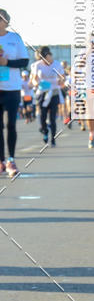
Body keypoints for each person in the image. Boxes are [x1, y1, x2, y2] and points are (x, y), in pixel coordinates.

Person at [0, 9, 30, 177]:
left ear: (7, 22)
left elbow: (24, 61)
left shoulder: (14, 38)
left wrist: (7, 61)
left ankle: (11, 159)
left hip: (11, 88)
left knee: (11, 124)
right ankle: (1, 161)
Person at [31, 46, 65, 147]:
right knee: (42, 116)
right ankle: (45, 131)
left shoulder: (57, 64)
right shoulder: (37, 65)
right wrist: (35, 83)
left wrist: (61, 81)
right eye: (42, 58)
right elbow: (33, 79)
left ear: (50, 55)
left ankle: (53, 139)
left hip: (54, 93)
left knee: (52, 118)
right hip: (42, 93)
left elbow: (62, 77)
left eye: (46, 57)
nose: (45, 60)